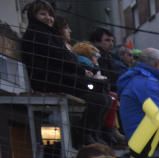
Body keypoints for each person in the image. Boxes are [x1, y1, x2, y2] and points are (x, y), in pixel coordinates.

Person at [19, 1, 111, 145]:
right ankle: (83, 133)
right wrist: (82, 71)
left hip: (59, 78)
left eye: (50, 15)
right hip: (48, 81)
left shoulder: (48, 34)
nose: (48, 18)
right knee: (99, 97)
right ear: (33, 16)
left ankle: (91, 133)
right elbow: (61, 57)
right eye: (42, 14)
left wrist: (84, 70)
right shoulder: (37, 34)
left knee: (104, 93)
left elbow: (67, 58)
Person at [117, 48, 159, 142]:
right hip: (143, 137)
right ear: (157, 64)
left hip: (136, 133)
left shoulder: (139, 78)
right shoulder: (148, 83)